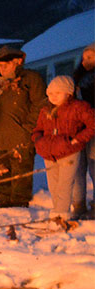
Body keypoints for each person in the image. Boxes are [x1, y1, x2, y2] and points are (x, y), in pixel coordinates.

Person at [0, 45, 47, 208]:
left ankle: (19, 203)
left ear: (17, 62)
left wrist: (28, 128)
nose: (2, 68)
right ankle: (4, 200)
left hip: (20, 135)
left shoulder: (30, 79)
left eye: (6, 64)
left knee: (20, 172)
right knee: (1, 171)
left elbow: (40, 105)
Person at [31, 76, 95, 220]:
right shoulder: (46, 110)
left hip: (69, 152)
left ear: (68, 93)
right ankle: (57, 211)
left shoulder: (78, 107)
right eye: (50, 93)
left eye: (58, 93)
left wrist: (77, 139)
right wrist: (38, 140)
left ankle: (61, 215)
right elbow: (38, 129)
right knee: (53, 185)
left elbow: (92, 124)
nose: (53, 96)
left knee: (65, 185)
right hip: (49, 153)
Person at [71, 43, 95, 217]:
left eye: (90, 57)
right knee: (78, 167)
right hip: (78, 128)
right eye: (84, 57)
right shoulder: (77, 78)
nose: (86, 61)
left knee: (94, 165)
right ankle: (78, 205)